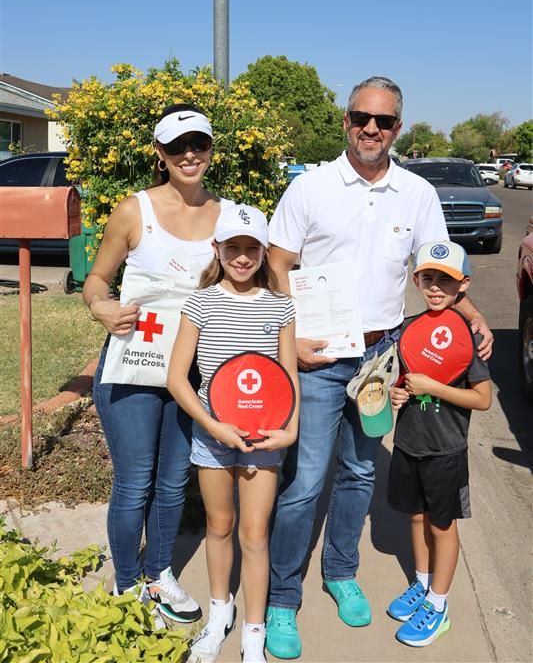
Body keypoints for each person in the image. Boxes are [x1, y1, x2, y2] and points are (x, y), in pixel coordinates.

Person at [265, 75, 493, 659]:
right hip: (317, 357)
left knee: (360, 475)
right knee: (306, 481)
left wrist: (473, 317)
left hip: (379, 359)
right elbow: (278, 263)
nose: (372, 129)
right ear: (346, 121)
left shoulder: (416, 193)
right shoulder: (311, 188)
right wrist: (291, 339)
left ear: (399, 127)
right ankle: (282, 598)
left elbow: (434, 269)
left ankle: (341, 572)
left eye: (385, 121)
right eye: (362, 118)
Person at [84, 103, 233, 621]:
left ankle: (159, 573)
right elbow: (96, 280)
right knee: (134, 480)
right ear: (159, 154)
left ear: (212, 147)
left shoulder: (227, 215)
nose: (188, 155)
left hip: (191, 375)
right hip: (131, 366)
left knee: (173, 482)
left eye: (198, 144)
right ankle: (128, 587)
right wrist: (103, 307)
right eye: (176, 147)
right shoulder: (133, 211)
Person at [167, 204, 299, 663]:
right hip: (212, 435)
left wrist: (291, 428)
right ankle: (219, 612)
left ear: (264, 252)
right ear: (217, 249)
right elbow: (178, 378)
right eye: (233, 248)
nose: (242, 257)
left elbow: (288, 373)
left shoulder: (281, 305)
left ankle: (254, 631)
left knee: (255, 533)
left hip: (265, 437)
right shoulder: (199, 303)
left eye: (251, 249)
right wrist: (211, 425)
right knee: (219, 525)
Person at [387, 240, 491, 647]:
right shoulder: (410, 328)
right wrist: (398, 394)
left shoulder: (468, 336)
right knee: (415, 517)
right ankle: (423, 583)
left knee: (441, 525)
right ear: (416, 280)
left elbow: (482, 399)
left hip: (445, 449)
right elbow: (404, 379)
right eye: (428, 278)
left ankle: (440, 604)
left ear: (462, 285)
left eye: (445, 281)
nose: (435, 288)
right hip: (409, 441)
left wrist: (435, 388)